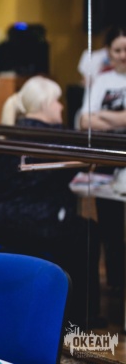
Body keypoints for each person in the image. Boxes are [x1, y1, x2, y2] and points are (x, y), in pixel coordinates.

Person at [0, 76, 102, 328]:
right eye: (57, 101)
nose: (61, 107)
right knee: (87, 231)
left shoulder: (7, 134)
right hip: (33, 224)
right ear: (44, 104)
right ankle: (79, 318)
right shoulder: (55, 137)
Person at [78, 25, 126, 293]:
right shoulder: (102, 80)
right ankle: (116, 282)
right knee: (110, 225)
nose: (122, 55)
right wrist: (121, 118)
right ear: (108, 52)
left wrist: (103, 116)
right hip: (106, 159)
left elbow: (95, 117)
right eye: (117, 50)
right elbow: (85, 120)